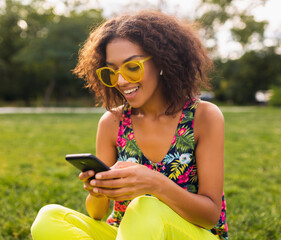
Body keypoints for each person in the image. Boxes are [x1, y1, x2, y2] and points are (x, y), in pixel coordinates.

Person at [31, 10, 228, 240]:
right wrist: (98, 190)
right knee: (49, 218)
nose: (121, 81)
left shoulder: (203, 117)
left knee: (145, 209)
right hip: (126, 234)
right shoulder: (112, 123)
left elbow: (210, 215)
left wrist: (155, 184)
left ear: (162, 61)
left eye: (132, 67)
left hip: (193, 234)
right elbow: (97, 214)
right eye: (112, 71)